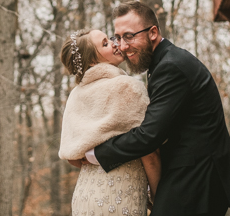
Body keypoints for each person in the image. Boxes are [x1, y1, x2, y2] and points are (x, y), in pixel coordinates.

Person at [81, 1, 230, 216]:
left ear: (152, 32)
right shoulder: (163, 63)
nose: (122, 46)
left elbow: (149, 136)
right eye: (118, 37)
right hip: (190, 172)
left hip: (198, 177)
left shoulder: (171, 67)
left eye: (129, 36)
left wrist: (96, 153)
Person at [59, 28, 161, 215]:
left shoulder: (76, 95)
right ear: (91, 60)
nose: (115, 43)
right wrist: (159, 198)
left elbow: (73, 158)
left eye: (110, 38)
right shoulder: (128, 87)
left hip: (84, 198)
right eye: (105, 44)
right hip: (119, 196)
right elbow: (149, 152)